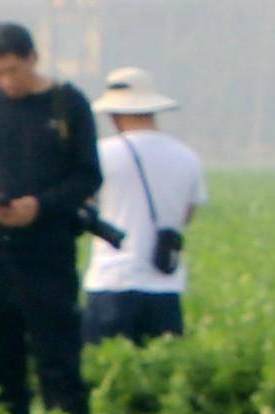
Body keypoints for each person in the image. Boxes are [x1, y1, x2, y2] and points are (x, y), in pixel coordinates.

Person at [0, 22, 103, 414]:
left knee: (59, 364)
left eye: (12, 70)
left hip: (47, 255)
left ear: (33, 58)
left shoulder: (67, 105)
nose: (5, 81)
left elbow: (88, 177)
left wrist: (41, 207)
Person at [86, 72, 206, 343]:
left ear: (114, 114)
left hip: (111, 282)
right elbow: (186, 216)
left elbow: (84, 205)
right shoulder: (187, 157)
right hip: (165, 286)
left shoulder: (100, 155)